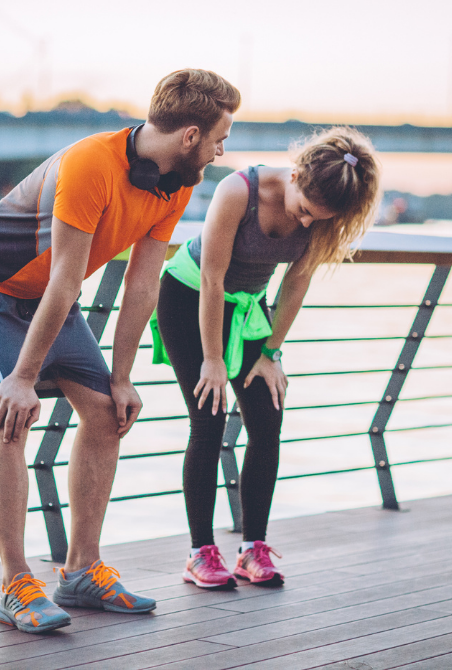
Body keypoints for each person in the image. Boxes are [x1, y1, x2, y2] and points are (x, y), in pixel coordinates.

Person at [0, 69, 240, 632]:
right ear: (191, 135)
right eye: (222, 133)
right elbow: (65, 282)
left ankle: (80, 572)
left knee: (107, 413)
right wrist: (24, 378)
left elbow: (143, 284)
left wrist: (122, 376)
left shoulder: (179, 181)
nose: (226, 146)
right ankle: (14, 584)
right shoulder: (90, 163)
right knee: (12, 415)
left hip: (46, 298)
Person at [153, 127, 381, 589]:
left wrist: (271, 353)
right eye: (302, 211)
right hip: (190, 297)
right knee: (209, 418)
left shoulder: (324, 216)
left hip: (248, 308)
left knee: (267, 418)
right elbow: (213, 279)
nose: (305, 224)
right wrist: (213, 359)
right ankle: (200, 554)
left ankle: (252, 550)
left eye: (317, 220)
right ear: (295, 175)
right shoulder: (239, 190)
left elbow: (295, 283)